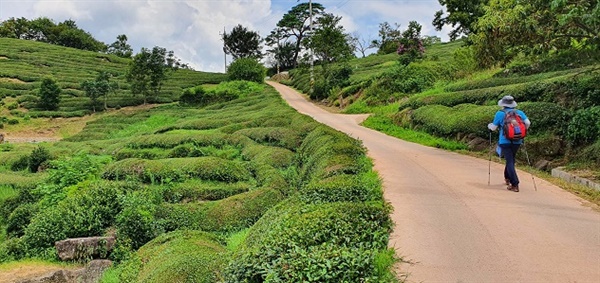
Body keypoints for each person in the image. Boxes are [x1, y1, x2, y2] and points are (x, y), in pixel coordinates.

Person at [487, 95, 531, 192]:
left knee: (509, 161)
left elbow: (493, 128)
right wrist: (521, 132)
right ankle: (507, 178)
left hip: (504, 141)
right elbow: (528, 123)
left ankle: (515, 184)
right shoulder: (519, 113)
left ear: (503, 104)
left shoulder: (500, 113)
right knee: (511, 160)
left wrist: (489, 126)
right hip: (517, 140)